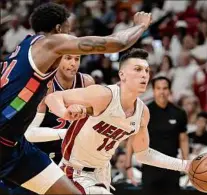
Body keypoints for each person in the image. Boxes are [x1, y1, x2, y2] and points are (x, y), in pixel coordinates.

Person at [0, 2, 152, 194]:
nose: (70, 36)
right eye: (68, 30)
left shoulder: (22, 47)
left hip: (16, 147)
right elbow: (118, 43)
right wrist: (141, 25)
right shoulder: (51, 43)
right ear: (59, 29)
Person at [45, 48, 190, 194]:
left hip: (102, 175)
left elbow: (143, 154)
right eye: (138, 69)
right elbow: (53, 98)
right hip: (74, 173)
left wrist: (185, 165)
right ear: (122, 75)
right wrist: (65, 113)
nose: (144, 75)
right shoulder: (103, 95)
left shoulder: (142, 112)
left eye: (146, 70)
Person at [25, 54, 94, 164]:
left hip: (72, 151)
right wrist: (67, 133)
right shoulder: (46, 85)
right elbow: (28, 135)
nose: (73, 63)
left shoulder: (86, 83)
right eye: (68, 58)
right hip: (42, 149)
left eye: (77, 59)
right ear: (57, 60)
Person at [126, 76, 189, 195]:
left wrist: (187, 165)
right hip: (150, 167)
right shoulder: (143, 111)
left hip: (172, 166)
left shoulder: (179, 113)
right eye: (158, 88)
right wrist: (128, 166)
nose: (162, 92)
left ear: (170, 91)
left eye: (165, 88)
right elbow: (132, 138)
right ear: (153, 90)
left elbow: (183, 140)